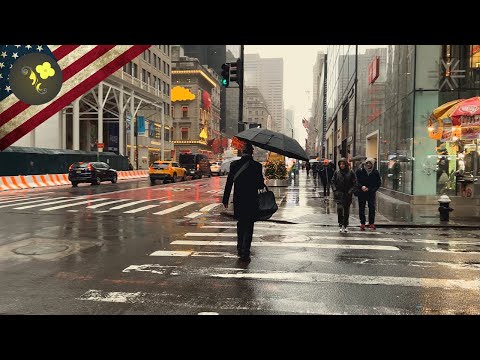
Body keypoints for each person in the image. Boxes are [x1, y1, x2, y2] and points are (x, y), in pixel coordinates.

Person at [222, 143, 265, 262]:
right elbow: (260, 185)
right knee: (249, 225)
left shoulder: (234, 164)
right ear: (252, 152)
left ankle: (240, 248)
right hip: (251, 200)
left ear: (242, 152)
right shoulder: (257, 166)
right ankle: (246, 250)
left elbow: (229, 183)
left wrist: (225, 200)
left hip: (239, 199)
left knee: (241, 224)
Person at [331, 158, 357, 233]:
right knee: (339, 209)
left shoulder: (351, 172)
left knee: (346, 210)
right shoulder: (337, 172)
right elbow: (333, 181)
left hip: (347, 194)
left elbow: (355, 183)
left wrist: (350, 191)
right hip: (339, 194)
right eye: (340, 164)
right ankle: (340, 223)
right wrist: (335, 190)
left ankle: (345, 224)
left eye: (343, 164)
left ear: (346, 164)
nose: (342, 166)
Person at [356, 157, 381, 230]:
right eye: (367, 163)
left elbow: (378, 183)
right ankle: (362, 223)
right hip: (362, 192)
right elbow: (356, 181)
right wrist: (361, 187)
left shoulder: (375, 172)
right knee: (362, 208)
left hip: (371, 193)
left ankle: (371, 223)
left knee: (372, 208)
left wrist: (371, 189)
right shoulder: (360, 171)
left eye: (370, 163)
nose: (369, 165)